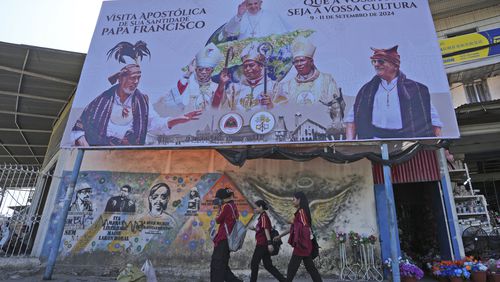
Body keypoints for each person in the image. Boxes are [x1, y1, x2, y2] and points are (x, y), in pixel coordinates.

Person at [71, 63, 201, 146]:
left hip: (128, 153)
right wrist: (86, 148)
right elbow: (79, 128)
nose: (136, 82)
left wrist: (175, 120)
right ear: (121, 78)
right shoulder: (102, 100)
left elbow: (153, 123)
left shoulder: (142, 101)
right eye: (133, 78)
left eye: (138, 78)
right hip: (98, 153)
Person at [345, 45, 443, 139]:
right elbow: (351, 120)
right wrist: (350, 145)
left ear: (395, 65)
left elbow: (434, 121)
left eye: (381, 61)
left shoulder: (416, 89)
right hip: (375, 144)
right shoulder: (366, 91)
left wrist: (442, 149)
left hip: (408, 145)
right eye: (374, 61)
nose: (376, 65)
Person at [274, 36, 341, 106]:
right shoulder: (287, 86)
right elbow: (280, 108)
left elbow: (335, 106)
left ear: (311, 62)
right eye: (296, 61)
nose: (298, 64)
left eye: (302, 60)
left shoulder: (327, 80)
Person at [273, 192, 322, 282]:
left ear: (299, 200)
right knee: (310, 268)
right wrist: (280, 236)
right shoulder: (300, 212)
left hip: (301, 245)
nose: (292, 201)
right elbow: (293, 228)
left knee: (292, 268)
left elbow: (304, 226)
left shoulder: (301, 212)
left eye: (294, 199)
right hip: (304, 245)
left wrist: (292, 222)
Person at [165, 43, 230, 111]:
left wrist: (221, 84)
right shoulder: (188, 84)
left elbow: (216, 107)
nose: (203, 72)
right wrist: (188, 73)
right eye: (200, 69)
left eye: (207, 69)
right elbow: (174, 95)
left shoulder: (217, 87)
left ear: (212, 71)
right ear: (196, 70)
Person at [223, 42, 274, 111]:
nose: (247, 69)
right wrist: (221, 84)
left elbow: (283, 110)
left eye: (251, 65)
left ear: (261, 66)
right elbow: (223, 109)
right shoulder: (234, 88)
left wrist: (270, 105)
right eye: (245, 66)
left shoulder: (273, 86)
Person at [210, 188, 243, 282]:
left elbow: (218, 220)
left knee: (217, 264)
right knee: (223, 265)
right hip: (227, 240)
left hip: (223, 239)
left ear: (223, 198)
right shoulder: (233, 206)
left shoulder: (227, 207)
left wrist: (219, 210)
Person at [248, 200, 286, 282]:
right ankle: (283, 280)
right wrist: (254, 229)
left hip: (262, 245)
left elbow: (266, 230)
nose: (255, 209)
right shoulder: (262, 217)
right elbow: (262, 230)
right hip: (264, 244)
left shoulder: (264, 216)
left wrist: (269, 243)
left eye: (256, 208)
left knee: (254, 264)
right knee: (268, 265)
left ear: (261, 207)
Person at [221, 0, 291, 40]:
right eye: (250, 4)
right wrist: (239, 15)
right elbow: (227, 33)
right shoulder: (241, 16)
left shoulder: (272, 16)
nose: (253, 6)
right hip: (244, 56)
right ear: (246, 4)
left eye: (255, 3)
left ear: (261, 3)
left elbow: (282, 35)